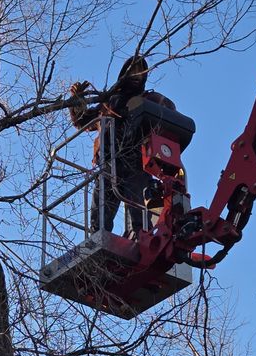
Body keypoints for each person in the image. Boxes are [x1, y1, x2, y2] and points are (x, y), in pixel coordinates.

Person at [68, 55, 177, 235]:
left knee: (138, 213)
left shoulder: (149, 99)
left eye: (140, 72)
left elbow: (169, 112)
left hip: (136, 162)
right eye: (132, 71)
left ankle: (142, 237)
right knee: (100, 216)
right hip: (108, 163)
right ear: (124, 74)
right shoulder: (109, 104)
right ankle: (99, 240)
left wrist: (147, 110)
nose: (136, 75)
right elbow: (82, 121)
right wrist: (76, 101)